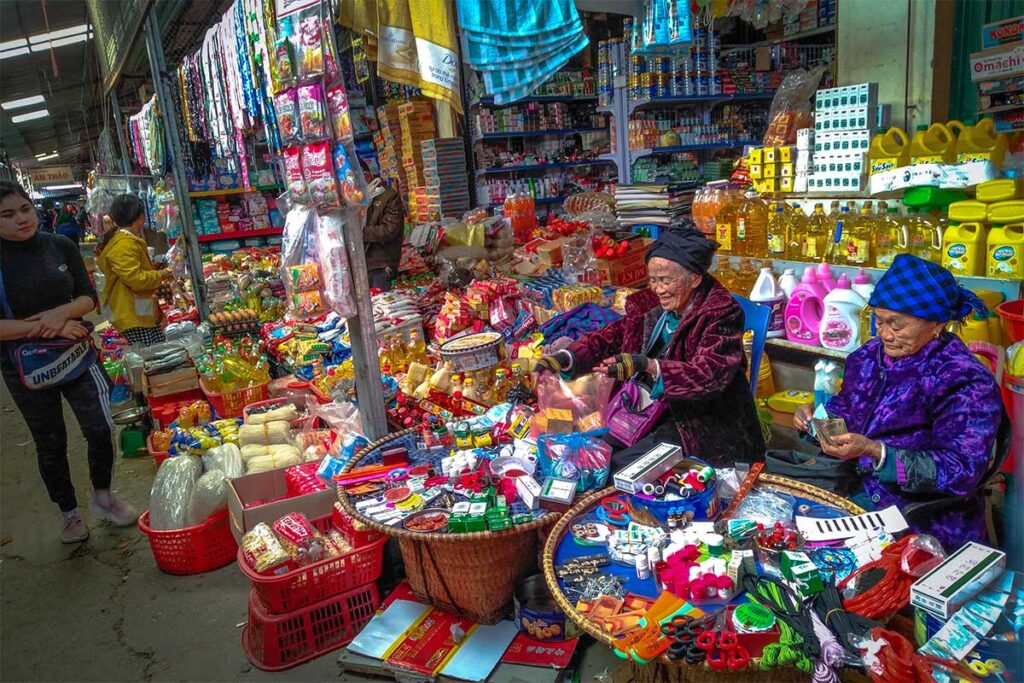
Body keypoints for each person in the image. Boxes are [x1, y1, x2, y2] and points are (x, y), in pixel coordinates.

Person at [791, 254, 1006, 547]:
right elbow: (847, 409)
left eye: (897, 325)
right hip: (852, 485)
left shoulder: (962, 379)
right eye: (878, 321)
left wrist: (878, 453)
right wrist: (816, 419)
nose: (885, 334)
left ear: (937, 324)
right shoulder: (868, 358)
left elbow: (961, 469)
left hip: (919, 518)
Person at [535, 222, 766, 469]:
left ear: (695, 278)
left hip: (699, 422)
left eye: (665, 280)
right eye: (653, 280)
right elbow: (611, 335)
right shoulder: (652, 306)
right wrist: (567, 356)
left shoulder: (721, 314)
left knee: (620, 468)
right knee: (592, 454)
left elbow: (708, 375)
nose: (657, 289)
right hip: (645, 408)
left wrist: (649, 366)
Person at [0, 180, 138, 543]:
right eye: (7, 215)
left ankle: (103, 495)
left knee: (99, 426)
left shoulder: (60, 246)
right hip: (24, 368)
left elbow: (88, 298)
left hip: (76, 354)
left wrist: (58, 317)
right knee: (50, 441)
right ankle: (69, 512)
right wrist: (46, 327)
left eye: (25, 209)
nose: (21, 220)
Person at [96, 194, 170, 346]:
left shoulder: (124, 240)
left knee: (158, 349)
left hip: (139, 311)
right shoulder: (125, 244)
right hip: (132, 313)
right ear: (141, 216)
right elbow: (136, 280)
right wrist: (161, 274)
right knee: (151, 357)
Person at [363, 178, 403, 292]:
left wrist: (359, 233)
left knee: (382, 302)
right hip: (362, 264)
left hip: (380, 264)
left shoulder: (388, 196)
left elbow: (389, 230)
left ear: (365, 175)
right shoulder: (354, 197)